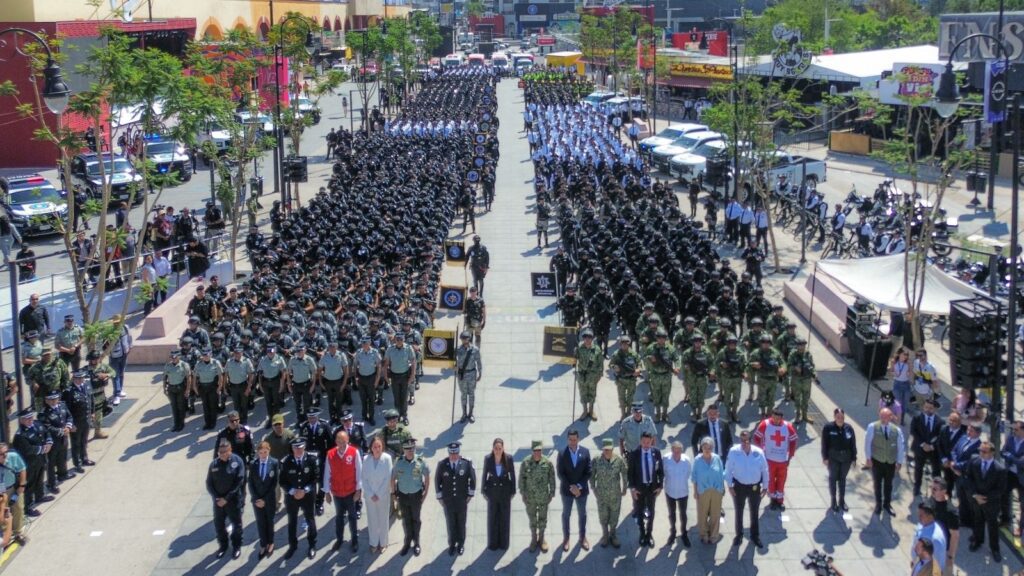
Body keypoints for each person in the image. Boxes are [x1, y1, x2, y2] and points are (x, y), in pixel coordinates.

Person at [725, 430, 769, 549]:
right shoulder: (734, 452)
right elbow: (728, 470)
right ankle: (739, 535)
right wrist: (729, 486)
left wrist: (765, 487)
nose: (744, 443)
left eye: (746, 440)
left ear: (750, 440)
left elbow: (765, 470)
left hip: (754, 487)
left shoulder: (758, 452)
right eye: (742, 440)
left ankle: (755, 536)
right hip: (739, 487)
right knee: (739, 512)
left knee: (754, 512)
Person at [964, 440, 1005, 562]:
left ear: (992, 453)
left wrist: (985, 498)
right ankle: (978, 540)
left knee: (993, 525)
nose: (981, 453)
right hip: (976, 499)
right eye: (980, 450)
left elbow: (1000, 489)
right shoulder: (974, 461)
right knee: (978, 520)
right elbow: (968, 478)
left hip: (991, 503)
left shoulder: (1000, 469)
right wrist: (975, 495)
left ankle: (994, 549)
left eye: (984, 451)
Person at [323, 429, 362, 553]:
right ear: (335, 441)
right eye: (339, 440)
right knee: (339, 517)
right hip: (337, 493)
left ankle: (354, 540)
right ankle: (339, 539)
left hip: (350, 492)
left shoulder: (354, 452)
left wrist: (358, 490)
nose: (341, 442)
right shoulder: (330, 454)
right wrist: (327, 492)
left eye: (344, 440)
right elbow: (326, 474)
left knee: (352, 517)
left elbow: (359, 473)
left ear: (348, 440)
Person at [281, 438, 319, 560]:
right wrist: (292, 491)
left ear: (304, 447)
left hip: (307, 496)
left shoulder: (311, 459)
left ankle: (312, 545)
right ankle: (293, 546)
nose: (298, 450)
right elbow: (282, 481)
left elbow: (315, 478)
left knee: (310, 519)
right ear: (292, 449)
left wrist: (305, 490)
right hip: (292, 497)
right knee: (292, 521)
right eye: (295, 448)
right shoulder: (286, 461)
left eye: (300, 447)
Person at [207, 439, 246, 559]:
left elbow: (239, 481)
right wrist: (217, 497)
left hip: (233, 500)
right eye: (220, 452)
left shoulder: (237, 461)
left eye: (225, 451)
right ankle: (223, 546)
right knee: (219, 525)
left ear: (230, 450)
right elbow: (209, 483)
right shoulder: (214, 464)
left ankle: (236, 546)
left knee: (236, 525)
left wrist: (227, 498)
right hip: (219, 502)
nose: (223, 454)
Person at [435, 441, 475, 556]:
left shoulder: (466, 463)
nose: (453, 456)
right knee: (451, 523)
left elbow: (472, 480)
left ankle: (461, 544)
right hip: (448, 501)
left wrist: (469, 496)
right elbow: (437, 481)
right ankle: (452, 544)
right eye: (451, 453)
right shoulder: (442, 464)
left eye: (455, 453)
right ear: (448, 453)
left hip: (462, 500)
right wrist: (440, 498)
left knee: (461, 523)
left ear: (459, 452)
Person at [865, 407, 906, 517]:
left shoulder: (896, 430)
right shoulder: (872, 427)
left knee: (888, 485)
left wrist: (899, 462)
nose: (883, 419)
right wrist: (868, 458)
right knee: (877, 484)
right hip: (877, 461)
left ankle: (887, 504)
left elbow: (901, 447)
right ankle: (878, 504)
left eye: (885, 416)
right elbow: (868, 443)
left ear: (891, 417)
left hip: (890, 462)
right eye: (881, 416)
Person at [392, 437, 429, 557]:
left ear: (414, 448)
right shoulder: (399, 462)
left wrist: (425, 494)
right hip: (402, 496)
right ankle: (407, 542)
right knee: (406, 520)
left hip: (416, 496)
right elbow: (392, 478)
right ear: (403, 449)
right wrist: (393, 494)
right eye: (407, 449)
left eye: (412, 448)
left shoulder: (421, 461)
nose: (410, 451)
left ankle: (417, 543)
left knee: (416, 520)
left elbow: (427, 478)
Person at [753, 409, 797, 510]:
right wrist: (761, 450)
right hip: (769, 459)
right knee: (771, 480)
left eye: (778, 419)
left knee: (781, 480)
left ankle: (780, 501)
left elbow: (793, 440)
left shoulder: (787, 426)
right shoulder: (765, 424)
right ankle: (772, 500)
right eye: (774, 418)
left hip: (783, 460)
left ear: (782, 418)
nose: (776, 420)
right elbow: (756, 437)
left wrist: (790, 455)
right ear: (771, 416)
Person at [556, 429, 591, 551]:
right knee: (566, 514)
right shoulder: (561, 453)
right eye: (570, 439)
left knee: (582, 514)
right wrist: (572, 487)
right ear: (567, 439)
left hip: (582, 491)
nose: (572, 442)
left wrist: (579, 487)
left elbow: (588, 472)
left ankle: (582, 537)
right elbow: (561, 473)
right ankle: (566, 538)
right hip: (567, 491)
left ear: (578, 439)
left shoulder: (585, 452)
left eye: (574, 439)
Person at [520, 439, 556, 553]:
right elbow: (522, 480)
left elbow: (552, 479)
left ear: (542, 450)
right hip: (530, 498)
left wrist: (552, 493)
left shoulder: (548, 463)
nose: (537, 453)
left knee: (542, 519)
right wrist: (523, 493)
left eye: (539, 450)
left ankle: (542, 538)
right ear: (532, 451)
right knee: (532, 519)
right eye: (535, 450)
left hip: (543, 497)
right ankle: (534, 539)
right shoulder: (525, 463)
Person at [590, 437, 627, 549]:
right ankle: (605, 535)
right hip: (601, 495)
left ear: (612, 449)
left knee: (614, 517)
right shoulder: (596, 460)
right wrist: (593, 488)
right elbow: (592, 476)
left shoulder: (619, 460)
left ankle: (613, 535)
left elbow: (624, 474)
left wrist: (624, 488)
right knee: (603, 517)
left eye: (609, 449)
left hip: (615, 495)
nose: (607, 451)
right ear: (602, 449)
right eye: (605, 449)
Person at [628, 431, 663, 547]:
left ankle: (649, 535)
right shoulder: (634, 454)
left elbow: (660, 471)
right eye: (644, 442)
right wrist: (632, 488)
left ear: (651, 441)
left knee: (651, 512)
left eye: (648, 442)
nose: (646, 444)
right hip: (639, 488)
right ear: (640, 441)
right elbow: (630, 473)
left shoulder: (656, 452)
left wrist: (660, 486)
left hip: (652, 488)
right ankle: (642, 534)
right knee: (639, 511)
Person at [482, 437, 516, 551]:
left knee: (504, 518)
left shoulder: (509, 459)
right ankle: (493, 543)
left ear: (503, 449)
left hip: (505, 493)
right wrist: (484, 490)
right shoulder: (488, 459)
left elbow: (512, 475)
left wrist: (513, 491)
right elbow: (484, 475)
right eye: (496, 448)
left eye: (499, 448)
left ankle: (504, 543)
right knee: (493, 518)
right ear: (493, 448)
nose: (497, 450)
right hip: (492, 493)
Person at [249, 440, 280, 560]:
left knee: (270, 521)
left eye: (265, 452)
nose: (263, 454)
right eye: (261, 452)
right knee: (260, 522)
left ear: (269, 451)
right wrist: (257, 499)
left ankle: (271, 542)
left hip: (269, 498)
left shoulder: (274, 463)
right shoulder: (253, 464)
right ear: (257, 453)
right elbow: (251, 483)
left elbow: (274, 483)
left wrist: (265, 500)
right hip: (257, 499)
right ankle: (263, 544)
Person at [821, 408, 857, 512]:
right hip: (833, 458)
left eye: (842, 417)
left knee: (842, 479)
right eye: (838, 417)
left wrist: (854, 458)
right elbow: (824, 444)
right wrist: (825, 457)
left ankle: (842, 500)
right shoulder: (828, 428)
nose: (840, 419)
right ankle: (833, 501)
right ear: (834, 417)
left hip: (846, 458)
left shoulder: (849, 428)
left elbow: (853, 444)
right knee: (833, 478)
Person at [692, 436, 726, 544]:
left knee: (715, 514)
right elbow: (694, 477)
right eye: (705, 447)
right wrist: (695, 491)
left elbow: (721, 474)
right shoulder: (697, 460)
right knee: (702, 513)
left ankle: (714, 535)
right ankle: (704, 534)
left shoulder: (717, 458)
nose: (707, 449)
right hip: (703, 490)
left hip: (716, 490)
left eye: (709, 447)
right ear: (701, 448)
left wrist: (722, 489)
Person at [360, 435, 391, 554]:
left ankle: (383, 542)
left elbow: (387, 478)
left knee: (383, 519)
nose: (377, 449)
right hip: (370, 496)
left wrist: (378, 494)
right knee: (372, 519)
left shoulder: (387, 458)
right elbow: (364, 478)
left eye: (379, 446)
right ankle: (373, 543)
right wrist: (370, 493)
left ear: (382, 447)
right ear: (371, 447)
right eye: (375, 446)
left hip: (382, 495)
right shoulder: (366, 459)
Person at [39, 391, 74, 494]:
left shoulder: (62, 405)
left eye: (55, 399)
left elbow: (69, 416)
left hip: (63, 438)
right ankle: (51, 483)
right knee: (51, 463)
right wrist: (60, 431)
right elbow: (46, 427)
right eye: (51, 399)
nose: (54, 401)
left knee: (62, 457)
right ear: (46, 401)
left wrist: (68, 426)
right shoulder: (44, 413)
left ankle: (62, 474)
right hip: (53, 441)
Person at [63, 371, 94, 472]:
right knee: (76, 443)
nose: (81, 380)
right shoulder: (69, 391)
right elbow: (66, 409)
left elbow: (91, 399)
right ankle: (77, 463)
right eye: (78, 379)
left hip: (86, 419)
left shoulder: (86, 385)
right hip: (76, 422)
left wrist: (92, 413)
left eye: (82, 378)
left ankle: (84, 458)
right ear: (74, 379)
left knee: (84, 441)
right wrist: (70, 424)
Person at [911, 399, 943, 498]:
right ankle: (917, 487)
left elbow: (940, 436)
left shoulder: (940, 421)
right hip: (920, 448)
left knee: (936, 470)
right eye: (926, 407)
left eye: (931, 408)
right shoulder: (917, 418)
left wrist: (931, 446)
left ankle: (937, 489)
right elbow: (914, 432)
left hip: (933, 450)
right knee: (918, 468)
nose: (928, 410)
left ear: (935, 409)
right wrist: (923, 444)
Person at [929, 477, 960, 576]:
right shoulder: (932, 501)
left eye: (935, 489)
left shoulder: (950, 511)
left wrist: (950, 556)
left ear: (944, 491)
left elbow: (955, 535)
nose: (932, 491)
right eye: (931, 488)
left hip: (943, 551)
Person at [664, 440, 693, 547]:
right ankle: (673, 532)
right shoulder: (666, 459)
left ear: (682, 451)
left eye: (678, 451)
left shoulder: (686, 460)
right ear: (671, 450)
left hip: (683, 491)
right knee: (672, 514)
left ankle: (684, 534)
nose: (676, 453)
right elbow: (662, 473)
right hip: (670, 491)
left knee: (683, 514)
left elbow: (689, 473)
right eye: (674, 451)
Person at [383, 333, 417, 426]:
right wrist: (386, 376)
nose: (399, 341)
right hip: (394, 377)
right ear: (395, 340)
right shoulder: (390, 349)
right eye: (397, 339)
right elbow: (386, 363)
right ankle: (397, 416)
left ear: (403, 340)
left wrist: (412, 376)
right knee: (396, 398)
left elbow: (413, 362)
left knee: (404, 397)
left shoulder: (408, 348)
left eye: (401, 339)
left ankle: (404, 416)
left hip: (405, 376)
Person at [609, 335, 642, 418]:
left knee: (630, 398)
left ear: (629, 344)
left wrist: (638, 370)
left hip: (631, 379)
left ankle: (629, 413)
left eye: (626, 343)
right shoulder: (616, 354)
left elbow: (640, 364)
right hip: (621, 380)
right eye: (622, 343)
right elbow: (610, 364)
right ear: (620, 344)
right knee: (622, 398)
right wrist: (614, 367)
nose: (624, 345)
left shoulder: (634, 354)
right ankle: (623, 414)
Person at [1000, 420, 1024, 533]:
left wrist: (1010, 456)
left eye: (1016, 429)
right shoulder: (1010, 439)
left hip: (1021, 476)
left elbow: (1021, 463)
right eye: (1013, 429)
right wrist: (1012, 457)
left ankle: (1021, 527)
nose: (1014, 431)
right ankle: (1006, 519)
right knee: (1004, 495)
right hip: (1010, 473)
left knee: (1022, 503)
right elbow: (1002, 452)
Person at [575, 329, 603, 421]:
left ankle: (591, 411)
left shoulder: (597, 349)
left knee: (592, 393)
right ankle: (584, 411)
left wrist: (599, 375)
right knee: (583, 393)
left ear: (592, 338)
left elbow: (600, 364)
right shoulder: (579, 348)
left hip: (592, 376)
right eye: (585, 337)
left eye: (589, 337)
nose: (587, 339)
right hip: (582, 376)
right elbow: (574, 358)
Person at [912, 502, 948, 572]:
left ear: (930, 516)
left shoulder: (935, 539)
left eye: (921, 515)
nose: (919, 518)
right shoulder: (922, 525)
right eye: (918, 515)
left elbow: (936, 563)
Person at [455, 331, 482, 423]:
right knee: (463, 395)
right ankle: (464, 414)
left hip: (471, 374)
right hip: (462, 374)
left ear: (469, 338)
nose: (463, 340)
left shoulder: (475, 349)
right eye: (462, 338)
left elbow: (478, 362)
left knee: (471, 394)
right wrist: (454, 366)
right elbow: (453, 362)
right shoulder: (458, 349)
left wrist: (480, 373)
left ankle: (470, 413)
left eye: (465, 338)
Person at [193, 348, 224, 430]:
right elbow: (195, 376)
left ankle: (213, 422)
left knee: (213, 405)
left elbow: (220, 376)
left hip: (212, 387)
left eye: (207, 355)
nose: (205, 357)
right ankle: (207, 423)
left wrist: (219, 387)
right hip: (203, 387)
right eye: (204, 355)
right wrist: (194, 387)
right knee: (205, 406)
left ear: (210, 355)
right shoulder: (198, 364)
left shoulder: (215, 362)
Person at [162, 350, 190, 432]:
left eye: (175, 357)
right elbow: (164, 377)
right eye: (172, 357)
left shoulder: (184, 365)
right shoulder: (168, 365)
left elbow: (188, 378)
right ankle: (176, 424)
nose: (173, 359)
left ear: (179, 357)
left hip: (180, 387)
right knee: (174, 407)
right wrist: (164, 388)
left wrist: (188, 389)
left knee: (181, 407)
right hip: (171, 388)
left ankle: (181, 424)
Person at [106, 315, 131, 405]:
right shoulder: (109, 332)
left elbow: (129, 338)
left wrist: (129, 348)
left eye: (119, 322)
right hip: (114, 357)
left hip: (124, 354)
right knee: (115, 375)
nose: (118, 324)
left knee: (121, 374)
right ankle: (116, 394)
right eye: (116, 323)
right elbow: (104, 345)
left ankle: (120, 390)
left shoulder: (125, 328)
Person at [890, 348, 913, 425]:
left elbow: (910, 372)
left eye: (906, 355)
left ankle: (902, 419)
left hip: (906, 384)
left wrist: (909, 373)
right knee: (898, 403)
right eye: (904, 354)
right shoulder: (894, 362)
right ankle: (895, 417)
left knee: (905, 404)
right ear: (899, 354)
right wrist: (894, 373)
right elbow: (891, 370)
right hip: (897, 384)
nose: (905, 357)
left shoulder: (908, 363)